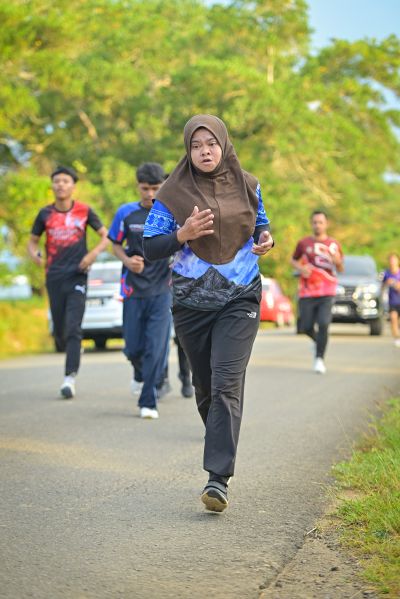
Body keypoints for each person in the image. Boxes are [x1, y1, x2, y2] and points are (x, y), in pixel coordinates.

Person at [143, 115, 273, 512]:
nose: (204, 151)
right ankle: (220, 438)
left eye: (211, 143)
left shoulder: (249, 184)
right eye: (196, 145)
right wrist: (182, 234)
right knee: (205, 387)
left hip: (240, 297)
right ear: (188, 150)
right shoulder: (172, 192)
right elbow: (150, 246)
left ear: (224, 144)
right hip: (191, 304)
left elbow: (261, 225)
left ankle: (218, 479)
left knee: (226, 385)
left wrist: (266, 239)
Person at [28, 165, 108, 398]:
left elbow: (106, 236)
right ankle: (73, 346)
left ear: (73, 186)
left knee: (74, 327)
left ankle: (69, 378)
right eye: (57, 181)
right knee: (61, 331)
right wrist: (34, 254)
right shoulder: (44, 214)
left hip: (77, 274)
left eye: (65, 181)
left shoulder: (85, 211)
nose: (60, 185)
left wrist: (92, 255)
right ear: (52, 186)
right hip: (54, 275)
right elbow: (32, 241)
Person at [108, 162, 172, 420]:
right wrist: (127, 260)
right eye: (145, 188)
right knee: (132, 349)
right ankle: (140, 373)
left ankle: (148, 401)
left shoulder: (172, 213)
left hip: (162, 290)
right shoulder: (125, 213)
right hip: (133, 290)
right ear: (138, 187)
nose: (150, 194)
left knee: (155, 348)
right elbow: (115, 243)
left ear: (163, 186)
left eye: (155, 188)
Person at [291, 210, 344, 374]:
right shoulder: (304, 243)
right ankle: (318, 342)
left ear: (326, 224)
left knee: (323, 323)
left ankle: (319, 358)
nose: (317, 225)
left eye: (320, 222)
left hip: (327, 290)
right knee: (305, 326)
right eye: (315, 222)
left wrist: (337, 261)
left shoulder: (334, 244)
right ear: (311, 224)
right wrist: (301, 268)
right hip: (307, 291)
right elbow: (293, 260)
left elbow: (341, 268)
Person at [382, 253, 400, 347]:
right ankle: (397, 338)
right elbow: (381, 287)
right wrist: (386, 283)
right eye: (391, 260)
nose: (392, 262)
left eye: (394, 260)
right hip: (392, 301)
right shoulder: (386, 273)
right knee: (393, 319)